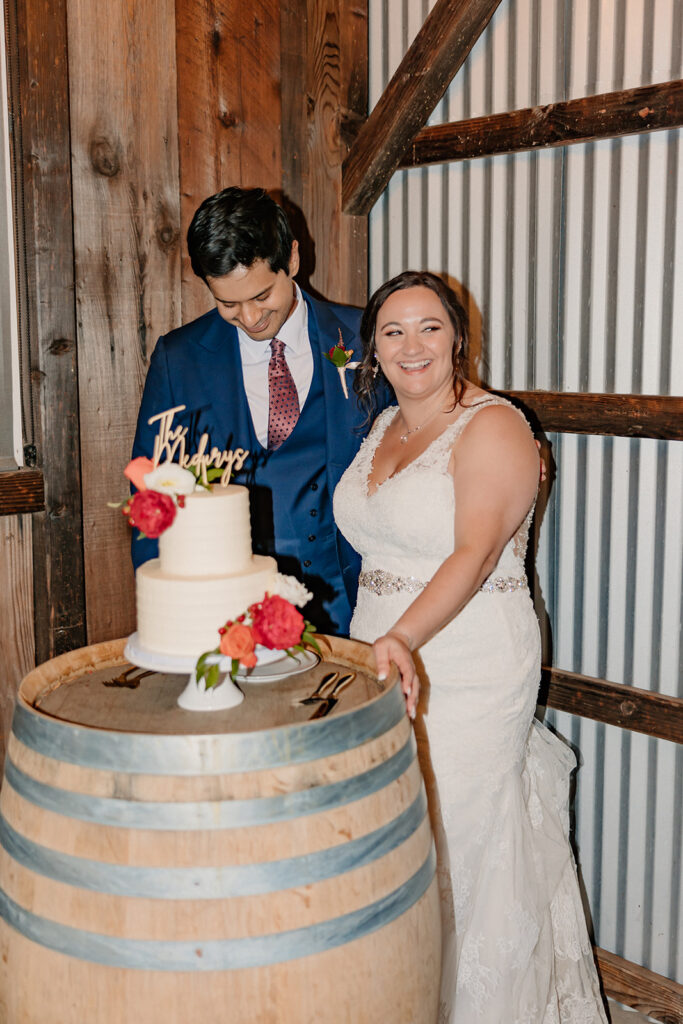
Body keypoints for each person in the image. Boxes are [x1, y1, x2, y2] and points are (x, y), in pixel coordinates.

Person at [333, 270, 608, 1022]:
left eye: (428, 326)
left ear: (458, 336)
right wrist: (376, 643)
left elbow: (476, 554)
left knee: (455, 836)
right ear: (372, 351)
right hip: (381, 652)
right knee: (396, 831)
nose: (411, 344)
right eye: (392, 331)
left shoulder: (493, 425)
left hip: (468, 658)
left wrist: (401, 637)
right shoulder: (383, 426)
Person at [132, 187, 389, 635]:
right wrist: (173, 621)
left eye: (262, 295)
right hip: (229, 618)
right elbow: (151, 499)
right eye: (228, 303)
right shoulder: (180, 360)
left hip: (352, 608)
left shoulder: (365, 340)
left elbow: (432, 415)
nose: (250, 317)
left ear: (292, 260)